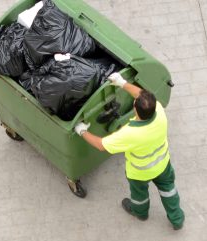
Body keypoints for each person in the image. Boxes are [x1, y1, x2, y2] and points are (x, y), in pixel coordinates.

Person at [74, 72, 185, 230]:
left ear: (135, 110)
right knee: (169, 190)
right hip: (163, 163)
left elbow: (101, 145)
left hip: (140, 172)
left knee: (139, 194)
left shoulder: (130, 133)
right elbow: (141, 95)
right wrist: (122, 83)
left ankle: (140, 212)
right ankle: (177, 218)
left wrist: (82, 131)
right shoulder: (158, 111)